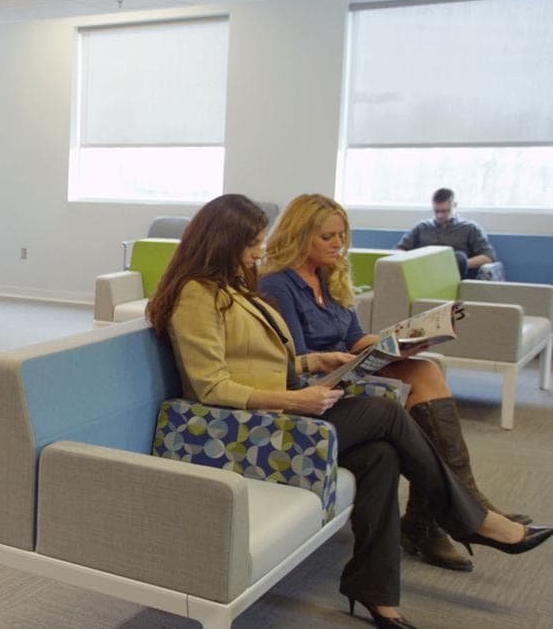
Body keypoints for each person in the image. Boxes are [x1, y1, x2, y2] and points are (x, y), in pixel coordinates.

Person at [146, 194, 549, 629]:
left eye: (260, 242)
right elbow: (212, 386)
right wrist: (296, 398)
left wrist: (314, 363)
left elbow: (263, 361)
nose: (259, 253)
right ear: (222, 241)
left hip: (278, 412)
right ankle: (469, 518)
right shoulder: (196, 295)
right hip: (249, 429)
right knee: (387, 414)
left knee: (382, 455)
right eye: (251, 244)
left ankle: (375, 592)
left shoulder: (232, 288)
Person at [259, 194, 532, 573]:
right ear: (300, 236)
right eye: (327, 237)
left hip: (348, 366)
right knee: (421, 391)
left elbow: (355, 337)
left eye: (342, 235)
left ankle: (446, 514)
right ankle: (456, 513)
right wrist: (350, 358)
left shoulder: (329, 276)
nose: (338, 244)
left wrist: (397, 343)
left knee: (425, 369)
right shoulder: (277, 285)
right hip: (316, 384)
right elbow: (293, 360)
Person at [396, 188, 495, 279]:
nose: (440, 215)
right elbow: (400, 251)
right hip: (424, 272)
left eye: (445, 211)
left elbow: (488, 257)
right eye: (436, 211)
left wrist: (455, 264)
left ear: (455, 206)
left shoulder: (470, 228)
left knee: (459, 257)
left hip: (453, 273)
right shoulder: (422, 227)